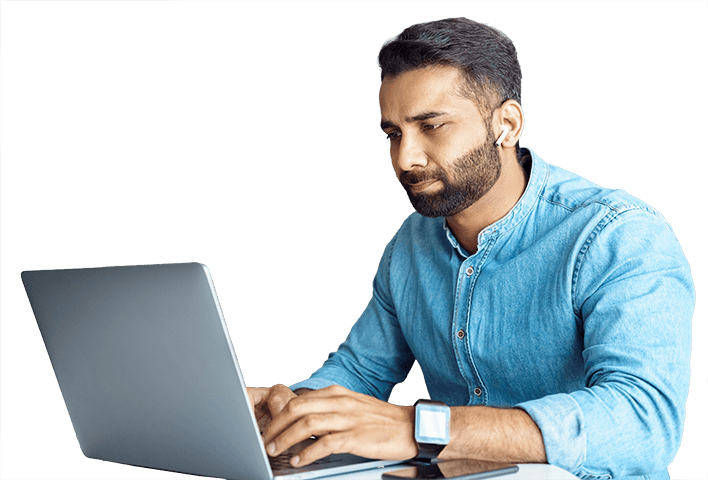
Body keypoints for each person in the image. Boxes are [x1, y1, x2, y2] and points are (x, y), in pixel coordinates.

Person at [247, 17, 694, 480]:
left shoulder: (617, 234)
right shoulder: (411, 242)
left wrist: (419, 429)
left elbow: (643, 421)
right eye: (394, 134)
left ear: (506, 124)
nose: (405, 159)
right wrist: (287, 413)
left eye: (432, 126)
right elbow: (361, 371)